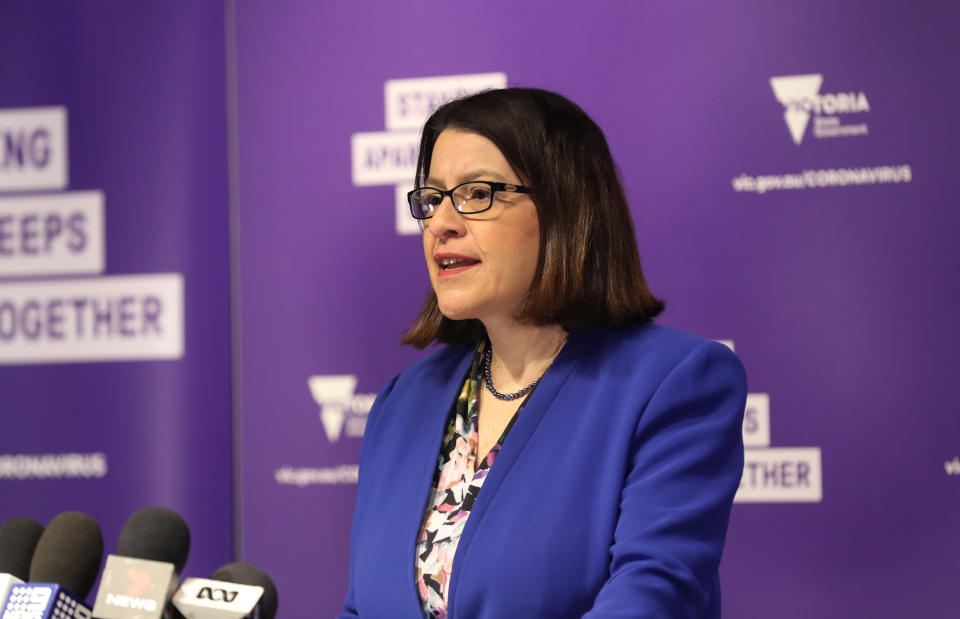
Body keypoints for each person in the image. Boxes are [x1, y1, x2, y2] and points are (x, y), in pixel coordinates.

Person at [338, 88, 746, 619]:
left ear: (565, 208)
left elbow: (653, 596)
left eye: (477, 193)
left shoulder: (674, 383)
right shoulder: (402, 402)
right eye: (432, 198)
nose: (441, 222)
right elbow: (362, 608)